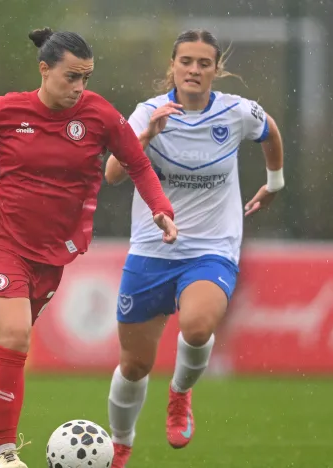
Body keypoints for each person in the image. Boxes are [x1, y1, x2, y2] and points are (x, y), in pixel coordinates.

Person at [0, 27, 178, 468]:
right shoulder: (5, 110)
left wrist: (160, 208)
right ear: (44, 70)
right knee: (17, 336)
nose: (80, 87)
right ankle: (6, 455)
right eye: (71, 77)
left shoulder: (99, 116)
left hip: (52, 258)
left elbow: (137, 163)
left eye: (87, 77)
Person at [102, 29, 285, 467]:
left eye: (204, 63)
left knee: (198, 327)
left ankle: (180, 395)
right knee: (133, 367)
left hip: (211, 247)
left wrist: (275, 181)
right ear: (173, 66)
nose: (195, 70)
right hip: (151, 248)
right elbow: (112, 173)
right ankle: (121, 443)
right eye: (187, 61)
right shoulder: (148, 112)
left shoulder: (237, 113)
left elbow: (270, 130)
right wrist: (147, 135)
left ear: (216, 70)